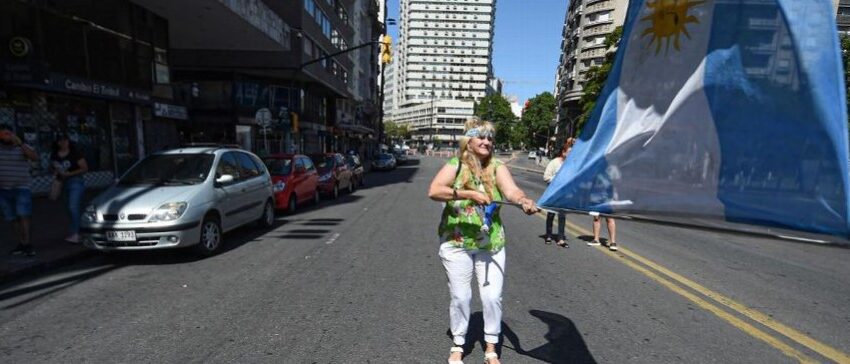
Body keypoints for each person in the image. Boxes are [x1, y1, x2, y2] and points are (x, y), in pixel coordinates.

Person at [428, 118, 538, 364]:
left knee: (491, 297)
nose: (487, 141)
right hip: (456, 243)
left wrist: (523, 201)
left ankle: (491, 346)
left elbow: (511, 191)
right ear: (469, 140)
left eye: (490, 138)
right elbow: (434, 190)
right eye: (482, 136)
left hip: (491, 243)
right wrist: (468, 193)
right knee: (461, 297)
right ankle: (458, 343)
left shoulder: (497, 167)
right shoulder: (454, 165)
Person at [0, 125, 39, 256]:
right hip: (3, 189)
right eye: (3, 134)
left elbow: (34, 157)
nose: (6, 136)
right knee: (12, 217)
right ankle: (22, 243)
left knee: (23, 215)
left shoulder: (22, 147)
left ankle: (27, 243)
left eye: (8, 134)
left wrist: (21, 144)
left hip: (21, 187)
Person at [51, 133, 88, 244]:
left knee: (73, 206)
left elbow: (84, 168)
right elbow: (53, 168)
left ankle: (76, 234)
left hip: (75, 181)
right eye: (60, 141)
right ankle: (79, 231)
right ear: (57, 143)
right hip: (62, 182)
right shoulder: (55, 155)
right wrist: (56, 174)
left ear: (68, 141)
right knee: (70, 208)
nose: (63, 143)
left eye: (65, 140)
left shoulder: (74, 153)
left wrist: (70, 174)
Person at [542, 138, 575, 248]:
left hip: (564, 194)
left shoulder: (570, 165)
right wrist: (558, 179)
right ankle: (548, 235)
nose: (571, 154)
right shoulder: (554, 162)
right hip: (553, 193)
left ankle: (561, 238)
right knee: (551, 214)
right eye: (569, 152)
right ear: (563, 152)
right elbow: (546, 177)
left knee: (562, 216)